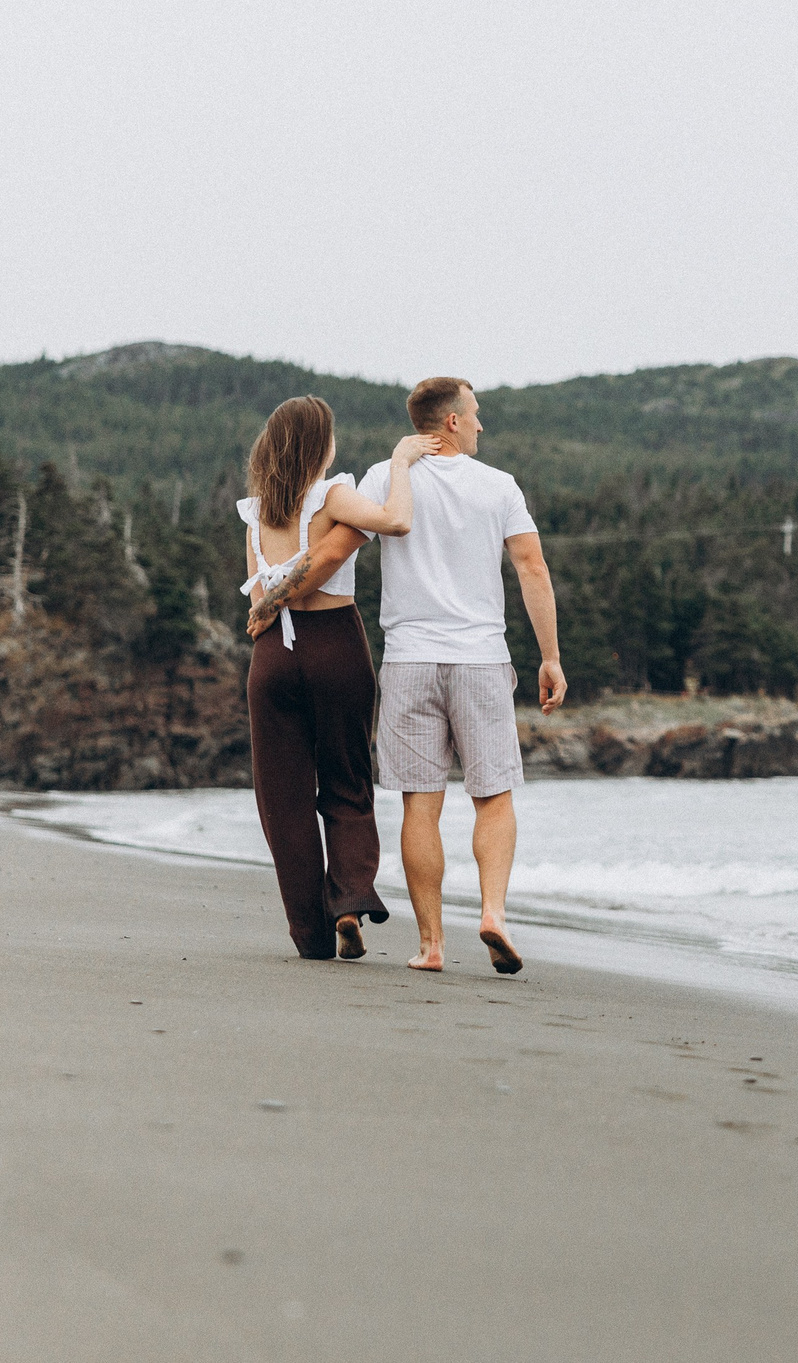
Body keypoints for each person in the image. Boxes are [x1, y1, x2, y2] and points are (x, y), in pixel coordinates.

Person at [249, 376, 563, 975]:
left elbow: (330, 551)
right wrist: (549, 656)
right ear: (451, 421)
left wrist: (270, 601)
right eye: (475, 414)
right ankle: (493, 914)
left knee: (422, 804)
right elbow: (533, 567)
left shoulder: (378, 478)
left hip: (409, 659)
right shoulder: (499, 485)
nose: (480, 424)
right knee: (493, 797)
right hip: (480, 658)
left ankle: (431, 944)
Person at [237, 395, 440, 961]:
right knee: (347, 778)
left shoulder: (255, 512)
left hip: (272, 658)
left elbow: (259, 601)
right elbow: (397, 520)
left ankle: (311, 935)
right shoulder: (332, 495)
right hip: (335, 646)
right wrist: (400, 462)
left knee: (283, 799)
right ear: (320, 445)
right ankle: (349, 899)